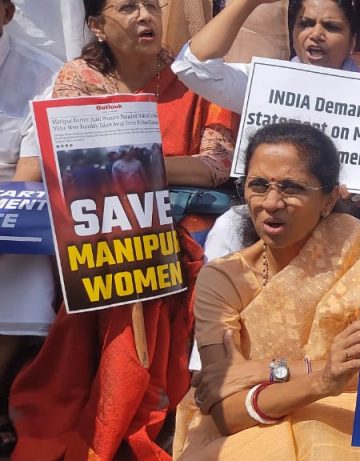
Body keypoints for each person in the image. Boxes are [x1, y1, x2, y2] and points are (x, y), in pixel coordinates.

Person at [7, 0, 237, 458]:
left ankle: (138, 408)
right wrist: (140, 169)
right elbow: (69, 163)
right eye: (128, 7)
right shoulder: (79, 78)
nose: (145, 17)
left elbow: (215, 165)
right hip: (98, 218)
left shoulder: (194, 76)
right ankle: (110, 411)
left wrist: (133, 162)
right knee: (119, 249)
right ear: (97, 25)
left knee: (160, 250)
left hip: (184, 216)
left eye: (151, 5)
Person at [175, 122, 360, 460]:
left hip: (350, 418)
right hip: (251, 429)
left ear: (329, 200)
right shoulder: (223, 278)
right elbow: (223, 412)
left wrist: (264, 370)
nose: (271, 202)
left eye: (291, 187)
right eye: (258, 185)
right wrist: (320, 380)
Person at [173, 0, 360, 239]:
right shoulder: (268, 83)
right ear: (293, 33)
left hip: (344, 232)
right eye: (306, 23)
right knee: (226, 229)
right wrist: (248, 3)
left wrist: (357, 193)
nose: (316, 34)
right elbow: (192, 66)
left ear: (352, 42)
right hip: (267, 224)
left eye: (331, 26)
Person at [0, 0, 61, 454]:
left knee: (23, 253)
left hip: (8, 203)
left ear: (6, 13)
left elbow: (27, 176)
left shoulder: (43, 74)